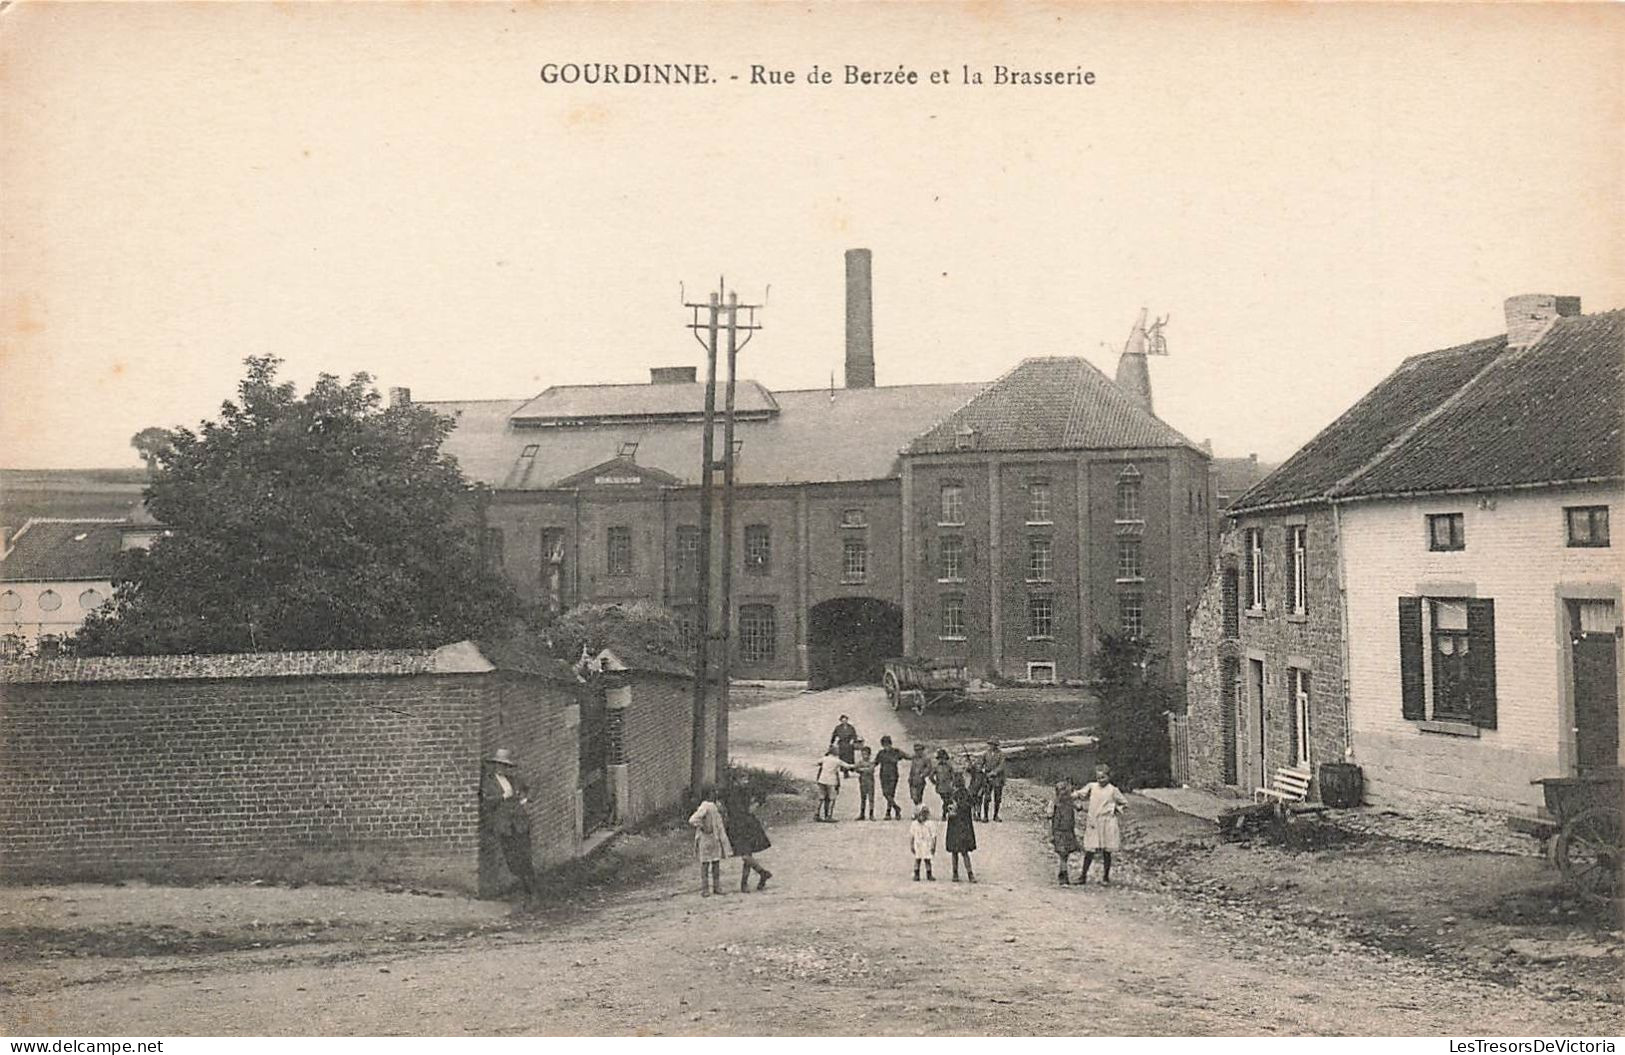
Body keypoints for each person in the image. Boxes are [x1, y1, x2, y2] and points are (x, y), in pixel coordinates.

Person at [480, 748, 539, 905]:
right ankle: (523, 891)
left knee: (525, 857)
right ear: (494, 765)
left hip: (520, 823)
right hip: (504, 825)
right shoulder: (489, 782)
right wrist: (502, 797)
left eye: (504, 765)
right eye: (499, 765)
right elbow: (486, 802)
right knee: (512, 859)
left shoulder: (514, 779)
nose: (501, 768)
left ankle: (531, 893)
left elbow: (530, 789)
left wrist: (524, 800)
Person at [722, 773, 774, 892]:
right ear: (735, 780)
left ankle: (751, 880)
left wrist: (755, 806)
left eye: (746, 779)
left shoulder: (746, 790)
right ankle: (758, 876)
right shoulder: (729, 791)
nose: (745, 781)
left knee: (746, 855)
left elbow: (762, 795)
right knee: (746, 855)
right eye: (742, 779)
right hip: (736, 825)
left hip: (746, 824)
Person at [1077, 764, 1128, 885]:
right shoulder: (1092, 786)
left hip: (1107, 822)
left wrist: (1115, 808)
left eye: (1103, 777)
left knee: (1106, 850)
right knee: (1090, 849)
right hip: (1094, 821)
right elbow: (1080, 794)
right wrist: (1068, 795)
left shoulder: (1113, 790)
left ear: (1109, 777)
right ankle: (1083, 876)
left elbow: (1125, 803)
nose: (1100, 780)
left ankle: (1105, 877)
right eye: (1098, 777)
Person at [689, 784, 733, 896]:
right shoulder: (705, 806)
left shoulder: (715, 806)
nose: (715, 794)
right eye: (713, 792)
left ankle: (716, 886)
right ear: (708, 794)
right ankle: (705, 888)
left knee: (715, 862)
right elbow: (693, 819)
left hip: (715, 838)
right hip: (706, 839)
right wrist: (702, 826)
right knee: (705, 863)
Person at [1046, 780, 1080, 884]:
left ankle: (1062, 871)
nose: (1064, 796)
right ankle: (1064, 875)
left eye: (1067, 793)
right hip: (1059, 831)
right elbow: (1049, 816)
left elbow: (1079, 807)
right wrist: (1050, 833)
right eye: (1062, 793)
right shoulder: (1054, 804)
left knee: (1066, 854)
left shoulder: (1070, 803)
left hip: (1069, 831)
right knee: (1063, 853)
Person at [944, 775, 978, 883]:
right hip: (964, 826)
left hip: (955, 826)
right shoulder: (966, 793)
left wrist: (954, 807)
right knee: (964, 852)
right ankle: (969, 873)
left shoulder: (953, 794)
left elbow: (946, 807)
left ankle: (955, 873)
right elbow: (972, 804)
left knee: (956, 852)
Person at [874, 735, 907, 820]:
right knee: (885, 793)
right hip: (883, 775)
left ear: (890, 744)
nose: (886, 746)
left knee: (891, 793)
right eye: (884, 744)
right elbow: (875, 763)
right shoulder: (880, 753)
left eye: (888, 744)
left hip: (893, 775)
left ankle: (888, 812)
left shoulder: (896, 752)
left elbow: (907, 756)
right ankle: (896, 808)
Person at [814, 745, 845, 821]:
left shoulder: (824, 759)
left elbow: (816, 763)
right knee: (832, 799)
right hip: (831, 781)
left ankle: (816, 814)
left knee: (821, 798)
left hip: (822, 780)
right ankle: (828, 816)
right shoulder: (837, 760)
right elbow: (848, 766)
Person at [980, 739, 1008, 821]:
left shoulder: (1001, 754)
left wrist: (993, 772)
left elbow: (1001, 766)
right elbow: (981, 763)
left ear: (996, 745)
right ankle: (985, 816)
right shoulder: (986, 754)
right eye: (990, 744)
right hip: (987, 778)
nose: (991, 746)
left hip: (998, 779)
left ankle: (996, 815)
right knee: (986, 797)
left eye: (992, 744)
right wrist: (980, 769)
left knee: (997, 798)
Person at [909, 806, 937, 881]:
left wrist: (933, 846)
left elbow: (934, 836)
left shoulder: (930, 824)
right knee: (917, 859)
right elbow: (912, 836)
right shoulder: (914, 824)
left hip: (927, 843)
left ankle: (929, 874)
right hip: (918, 844)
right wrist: (911, 845)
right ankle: (916, 874)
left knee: (927, 860)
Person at [850, 745, 877, 820]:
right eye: (863, 754)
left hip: (870, 782)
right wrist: (864, 769)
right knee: (863, 798)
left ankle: (871, 814)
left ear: (869, 754)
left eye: (866, 754)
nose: (864, 756)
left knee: (871, 798)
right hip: (862, 782)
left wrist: (862, 769)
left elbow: (871, 770)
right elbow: (856, 768)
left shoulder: (872, 762)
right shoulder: (860, 762)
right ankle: (862, 814)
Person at [906, 743, 932, 808]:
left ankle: (919, 810)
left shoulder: (926, 758)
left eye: (919, 750)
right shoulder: (914, 758)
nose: (917, 752)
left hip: (921, 780)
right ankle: (920, 809)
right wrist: (909, 777)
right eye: (916, 750)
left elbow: (929, 768)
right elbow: (912, 768)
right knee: (913, 796)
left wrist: (923, 774)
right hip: (913, 780)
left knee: (919, 796)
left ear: (922, 750)